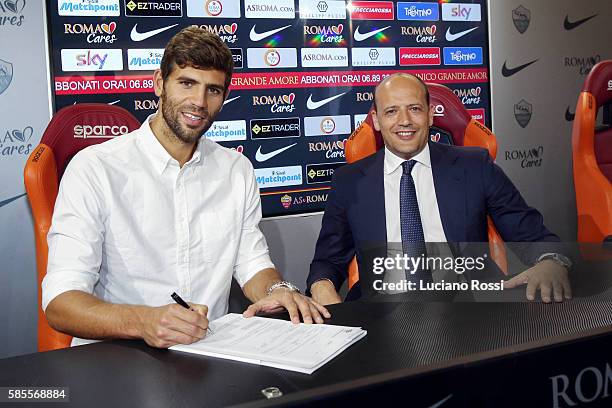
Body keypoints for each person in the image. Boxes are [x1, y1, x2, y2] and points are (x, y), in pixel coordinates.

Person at [42, 27, 329, 349]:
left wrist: (277, 291)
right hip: (118, 356)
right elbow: (60, 302)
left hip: (211, 352)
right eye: (187, 83)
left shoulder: (237, 170)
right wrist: (144, 321)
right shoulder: (95, 168)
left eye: (213, 90)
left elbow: (252, 263)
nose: (199, 102)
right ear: (158, 83)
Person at [307, 73, 572, 305]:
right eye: (391, 111)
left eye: (414, 109)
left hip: (470, 303)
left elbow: (531, 232)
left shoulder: (475, 165)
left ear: (430, 114)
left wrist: (551, 261)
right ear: (376, 120)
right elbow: (328, 261)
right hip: (382, 310)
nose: (404, 121)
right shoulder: (349, 180)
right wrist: (322, 287)